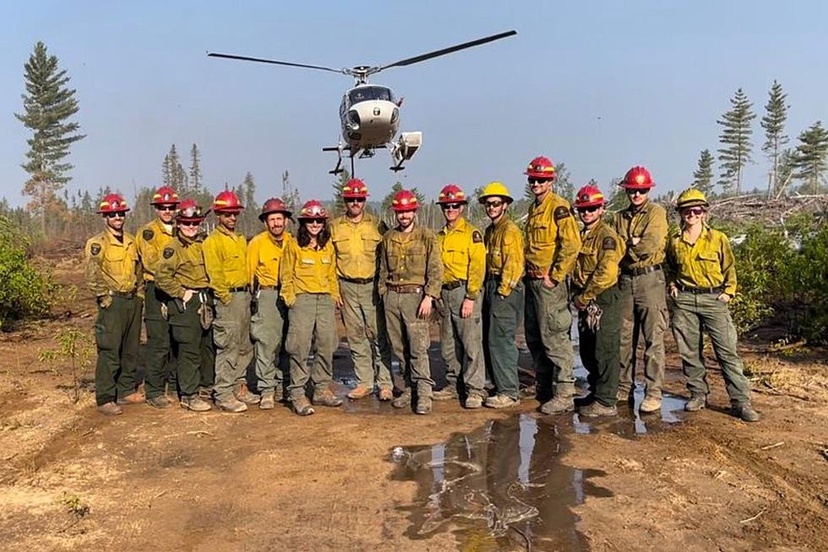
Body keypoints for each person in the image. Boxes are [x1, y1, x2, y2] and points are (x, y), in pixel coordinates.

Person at [666, 188, 759, 422]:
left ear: (704, 213)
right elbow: (670, 267)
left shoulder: (718, 238)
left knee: (727, 351)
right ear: (680, 213)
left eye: (697, 210)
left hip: (713, 300)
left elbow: (730, 268)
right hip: (685, 300)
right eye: (687, 210)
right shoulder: (675, 241)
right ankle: (698, 394)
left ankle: (740, 401)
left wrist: (729, 293)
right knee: (689, 352)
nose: (692, 214)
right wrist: (672, 285)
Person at [523, 156, 581, 414]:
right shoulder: (535, 208)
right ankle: (544, 386)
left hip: (549, 284)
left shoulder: (558, 207)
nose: (536, 183)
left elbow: (571, 245)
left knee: (555, 337)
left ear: (550, 181)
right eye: (533, 179)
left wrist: (555, 276)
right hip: (532, 280)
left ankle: (565, 392)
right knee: (535, 336)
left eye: (541, 180)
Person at [379, 189, 443, 415]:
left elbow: (435, 269)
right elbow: (383, 269)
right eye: (400, 212)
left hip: (416, 297)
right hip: (393, 296)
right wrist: (384, 294)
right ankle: (409, 388)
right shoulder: (388, 238)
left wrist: (429, 296)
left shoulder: (427, 236)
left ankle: (424, 392)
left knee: (418, 347)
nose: (404, 216)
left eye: (407, 211)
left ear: (414, 211)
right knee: (399, 347)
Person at [329, 179, 394, 401]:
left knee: (378, 335)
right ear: (345, 201)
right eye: (351, 199)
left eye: (359, 199)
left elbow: (388, 256)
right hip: (346, 286)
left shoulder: (378, 225)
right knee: (356, 336)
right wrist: (334, 290)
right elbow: (329, 260)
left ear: (364, 201)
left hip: (372, 287)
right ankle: (364, 382)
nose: (355, 202)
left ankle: (385, 383)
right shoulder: (335, 227)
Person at [612, 166, 669, 414]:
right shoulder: (618, 217)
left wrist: (628, 248)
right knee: (624, 339)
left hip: (650, 280)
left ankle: (653, 392)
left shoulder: (656, 213)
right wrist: (629, 244)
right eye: (633, 190)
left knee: (653, 339)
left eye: (642, 190)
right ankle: (624, 387)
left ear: (648, 190)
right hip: (625, 280)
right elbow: (611, 246)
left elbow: (650, 244)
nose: (636, 194)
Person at [280, 200, 343, 416]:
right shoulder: (294, 245)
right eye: (310, 221)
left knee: (327, 344)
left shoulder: (328, 245)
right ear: (304, 223)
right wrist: (291, 299)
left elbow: (332, 274)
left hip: (325, 299)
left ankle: (321, 389)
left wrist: (334, 296)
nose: (314, 224)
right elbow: (286, 275)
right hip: (302, 300)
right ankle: (297, 393)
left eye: (318, 221)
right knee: (300, 347)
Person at [84, 193, 144, 415]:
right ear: (105, 217)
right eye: (113, 214)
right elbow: (92, 274)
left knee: (130, 348)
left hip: (132, 299)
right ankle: (106, 397)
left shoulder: (130, 240)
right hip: (113, 301)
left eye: (120, 213)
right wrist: (104, 298)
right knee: (110, 349)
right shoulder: (97, 244)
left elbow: (138, 269)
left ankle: (126, 390)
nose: (117, 217)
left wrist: (139, 295)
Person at [570, 185, 625, 417]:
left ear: (601, 209)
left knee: (605, 348)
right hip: (586, 298)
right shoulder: (582, 235)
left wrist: (584, 296)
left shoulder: (606, 237)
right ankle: (596, 392)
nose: (587, 213)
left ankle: (606, 400)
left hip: (602, 297)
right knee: (588, 349)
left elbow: (607, 273)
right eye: (583, 209)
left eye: (592, 208)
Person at [155, 199, 215, 412]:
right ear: (179, 223)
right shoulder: (173, 248)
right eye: (187, 223)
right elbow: (161, 277)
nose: (191, 227)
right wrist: (182, 293)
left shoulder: (202, 244)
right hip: (185, 305)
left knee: (205, 348)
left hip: (204, 299)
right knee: (188, 350)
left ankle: (204, 386)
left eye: (195, 223)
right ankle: (188, 395)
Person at [202, 190, 258, 413]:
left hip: (244, 297)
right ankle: (223, 392)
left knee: (245, 345)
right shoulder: (213, 242)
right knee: (228, 345)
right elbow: (214, 274)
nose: (232, 218)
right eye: (227, 214)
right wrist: (224, 298)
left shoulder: (240, 239)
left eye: (234, 214)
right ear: (218, 215)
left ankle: (239, 386)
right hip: (228, 299)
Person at [433, 184, 487, 409]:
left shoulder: (471, 234)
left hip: (464, 291)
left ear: (462, 207)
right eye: (446, 206)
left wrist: (471, 296)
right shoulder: (439, 236)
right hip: (445, 293)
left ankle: (475, 389)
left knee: (471, 343)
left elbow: (478, 266)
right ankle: (454, 384)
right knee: (448, 343)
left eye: (455, 205)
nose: (450, 209)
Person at [477, 182, 525, 409]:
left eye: (496, 203)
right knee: (490, 338)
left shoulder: (510, 231)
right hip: (492, 285)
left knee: (501, 339)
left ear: (505, 205)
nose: (491, 207)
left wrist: (503, 294)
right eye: (488, 204)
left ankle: (509, 392)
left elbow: (513, 266)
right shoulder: (490, 231)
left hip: (505, 288)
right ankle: (500, 384)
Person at [135, 186, 180, 408]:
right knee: (159, 340)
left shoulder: (182, 228)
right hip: (156, 288)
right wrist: (177, 270)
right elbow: (151, 261)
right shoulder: (148, 232)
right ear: (157, 209)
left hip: (179, 288)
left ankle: (174, 384)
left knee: (177, 338)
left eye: (171, 207)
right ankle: (153, 389)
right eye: (163, 207)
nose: (168, 211)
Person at [248, 197, 293, 409]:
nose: (276, 223)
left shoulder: (293, 241)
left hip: (291, 294)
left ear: (286, 221)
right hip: (267, 295)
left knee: (289, 343)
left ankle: (284, 385)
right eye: (272, 219)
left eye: (279, 218)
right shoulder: (257, 243)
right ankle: (267, 389)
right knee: (267, 343)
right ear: (266, 222)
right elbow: (249, 274)